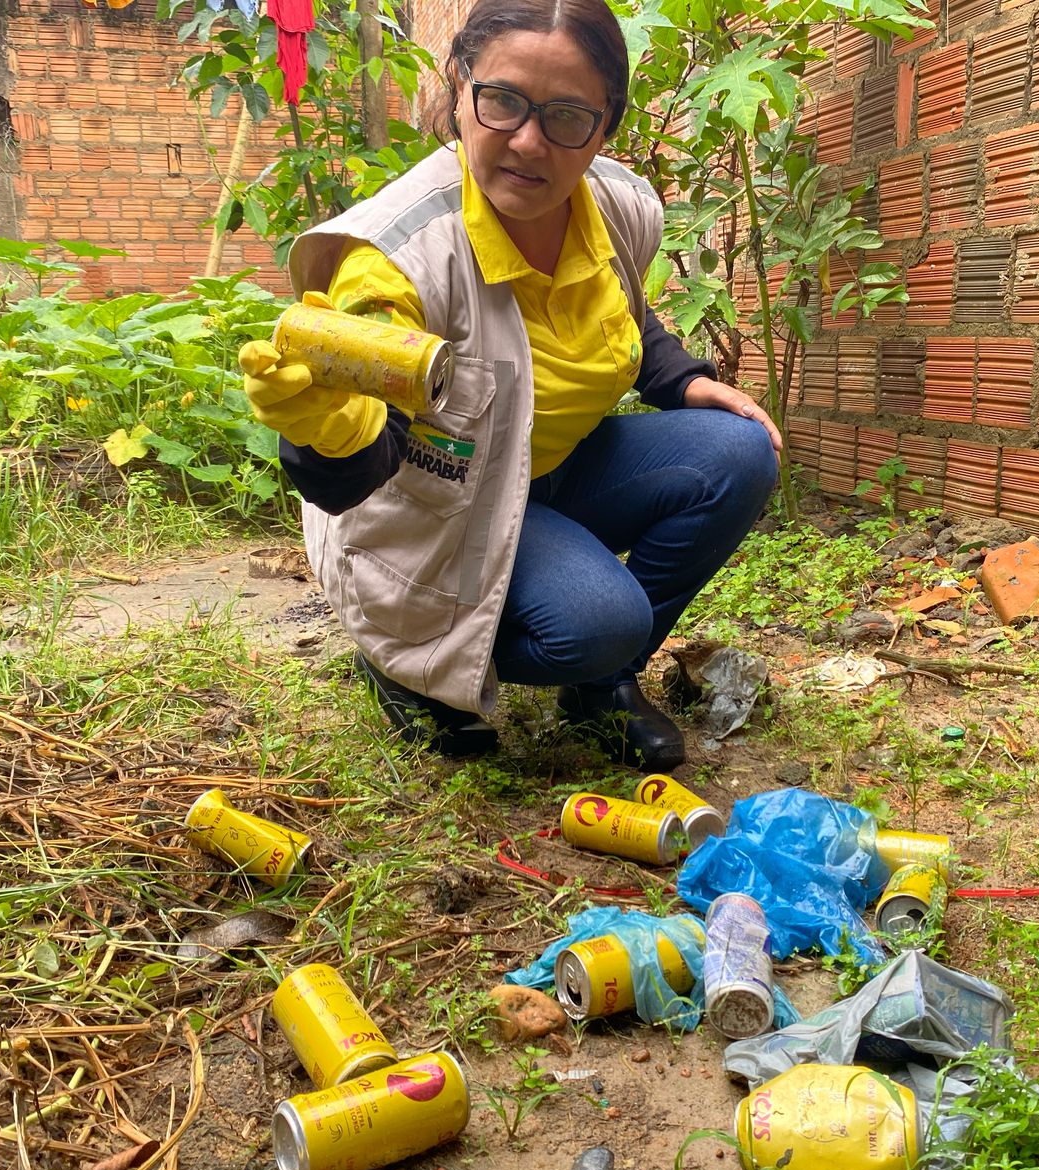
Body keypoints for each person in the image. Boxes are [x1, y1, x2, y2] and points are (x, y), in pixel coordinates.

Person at [239, 0, 779, 772]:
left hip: (545, 476)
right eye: (503, 102)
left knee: (739, 451)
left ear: (604, 126)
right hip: (438, 514)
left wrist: (688, 383)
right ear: (461, 87)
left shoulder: (616, 209)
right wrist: (328, 433)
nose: (529, 142)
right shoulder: (399, 259)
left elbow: (624, 310)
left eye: (567, 116)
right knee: (596, 620)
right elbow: (356, 474)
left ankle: (600, 689)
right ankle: (409, 669)